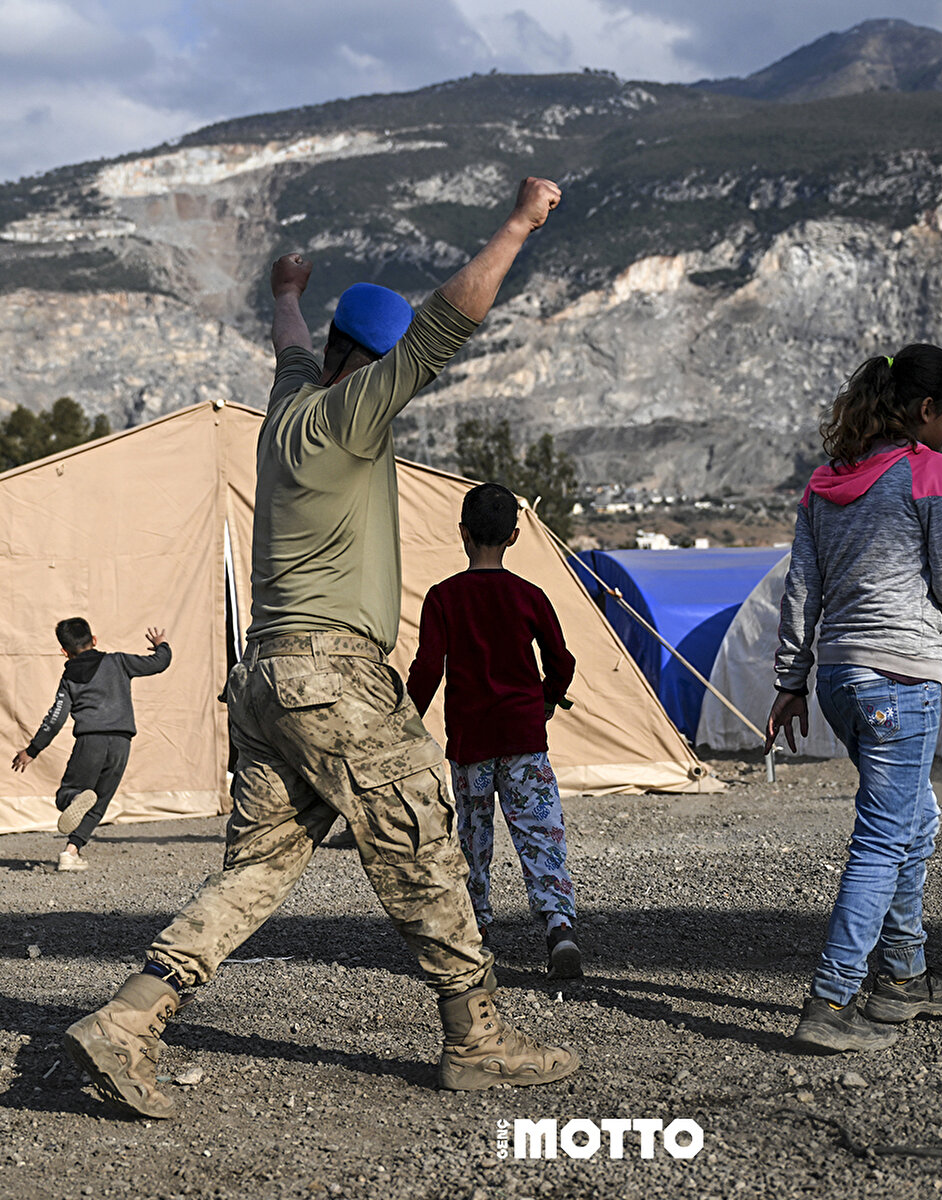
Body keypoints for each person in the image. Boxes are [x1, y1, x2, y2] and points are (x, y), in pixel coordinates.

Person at [63, 177, 580, 1120]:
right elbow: (442, 327)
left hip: (262, 677)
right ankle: (477, 1035)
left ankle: (129, 1020)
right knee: (421, 835)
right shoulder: (349, 413)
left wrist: (286, 291)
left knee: (259, 867)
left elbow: (291, 347)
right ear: (368, 370)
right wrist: (516, 225)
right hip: (328, 672)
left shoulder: (291, 406)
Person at [766, 344, 942, 1054]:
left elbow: (801, 586)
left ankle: (901, 977)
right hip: (899, 678)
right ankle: (831, 1000)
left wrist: (790, 681)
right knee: (883, 837)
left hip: (839, 677)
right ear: (926, 409)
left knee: (911, 821)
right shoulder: (936, 473)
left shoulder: (826, 481)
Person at [407, 482, 582, 979]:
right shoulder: (529, 595)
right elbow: (561, 660)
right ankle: (559, 927)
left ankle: (476, 935)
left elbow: (426, 670)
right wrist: (548, 697)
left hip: (470, 745)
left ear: (462, 533)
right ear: (515, 534)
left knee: (473, 839)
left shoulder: (443, 598)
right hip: (524, 740)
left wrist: (404, 722)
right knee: (540, 834)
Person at [11, 619, 171, 872]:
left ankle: (76, 798)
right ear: (94, 640)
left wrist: (32, 751)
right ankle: (70, 853)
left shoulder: (69, 677)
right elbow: (159, 663)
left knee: (67, 795)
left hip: (90, 742)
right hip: (121, 743)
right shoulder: (118, 661)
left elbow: (56, 718)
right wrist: (162, 646)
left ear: (64, 652)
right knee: (99, 803)